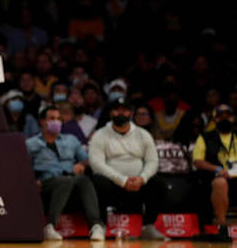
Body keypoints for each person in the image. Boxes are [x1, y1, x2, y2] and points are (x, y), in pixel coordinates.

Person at [88, 98, 165, 240]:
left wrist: (142, 178)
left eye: (124, 109)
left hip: (138, 185)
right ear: (111, 113)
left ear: (131, 113)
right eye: (117, 109)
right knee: (97, 181)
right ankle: (100, 226)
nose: (120, 113)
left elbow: (152, 161)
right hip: (113, 185)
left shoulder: (143, 134)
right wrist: (123, 181)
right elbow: (96, 164)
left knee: (158, 183)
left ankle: (148, 226)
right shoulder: (99, 134)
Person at [26, 106, 104, 241]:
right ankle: (49, 226)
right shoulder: (30, 144)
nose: (56, 122)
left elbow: (87, 159)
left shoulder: (71, 140)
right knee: (66, 180)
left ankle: (96, 226)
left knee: (83, 180)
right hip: (47, 184)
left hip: (71, 181)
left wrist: (81, 164)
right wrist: (32, 181)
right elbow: (22, 168)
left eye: (58, 119)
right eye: (51, 118)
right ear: (41, 121)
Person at [192, 104, 237, 241]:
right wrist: (219, 169)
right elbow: (198, 161)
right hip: (215, 178)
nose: (224, 119)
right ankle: (222, 226)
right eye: (220, 117)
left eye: (227, 116)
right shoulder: (205, 137)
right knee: (220, 182)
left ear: (233, 118)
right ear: (214, 120)